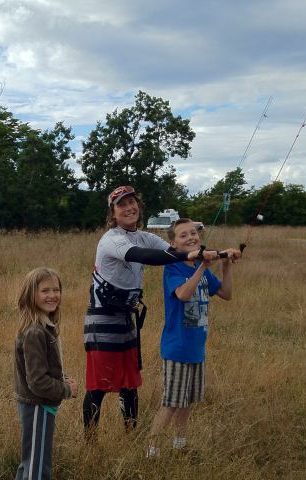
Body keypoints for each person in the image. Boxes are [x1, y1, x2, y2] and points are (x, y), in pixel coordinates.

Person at [82, 185, 221, 434]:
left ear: (139, 206)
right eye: (121, 204)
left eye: (132, 202)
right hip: (103, 318)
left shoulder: (144, 235)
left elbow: (174, 251)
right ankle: (90, 444)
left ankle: (131, 436)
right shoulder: (112, 240)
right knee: (99, 385)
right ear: (112, 214)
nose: (128, 207)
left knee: (129, 383)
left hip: (127, 317)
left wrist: (216, 254)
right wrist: (191, 254)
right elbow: (146, 256)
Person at [147, 219, 239, 456]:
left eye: (194, 233)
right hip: (176, 348)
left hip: (197, 348)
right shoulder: (174, 268)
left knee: (187, 401)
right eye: (183, 235)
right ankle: (152, 449)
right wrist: (202, 267)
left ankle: (180, 442)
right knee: (170, 403)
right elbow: (184, 295)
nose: (191, 237)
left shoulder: (202, 269)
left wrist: (227, 266)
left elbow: (226, 294)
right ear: (173, 244)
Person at [10, 268, 78, 480]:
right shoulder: (35, 333)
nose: (52, 295)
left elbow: (43, 372)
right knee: (38, 469)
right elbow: (37, 382)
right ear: (31, 294)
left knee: (30, 462)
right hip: (38, 406)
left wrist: (60, 379)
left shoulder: (44, 326)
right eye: (45, 290)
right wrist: (65, 390)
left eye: (56, 289)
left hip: (39, 406)